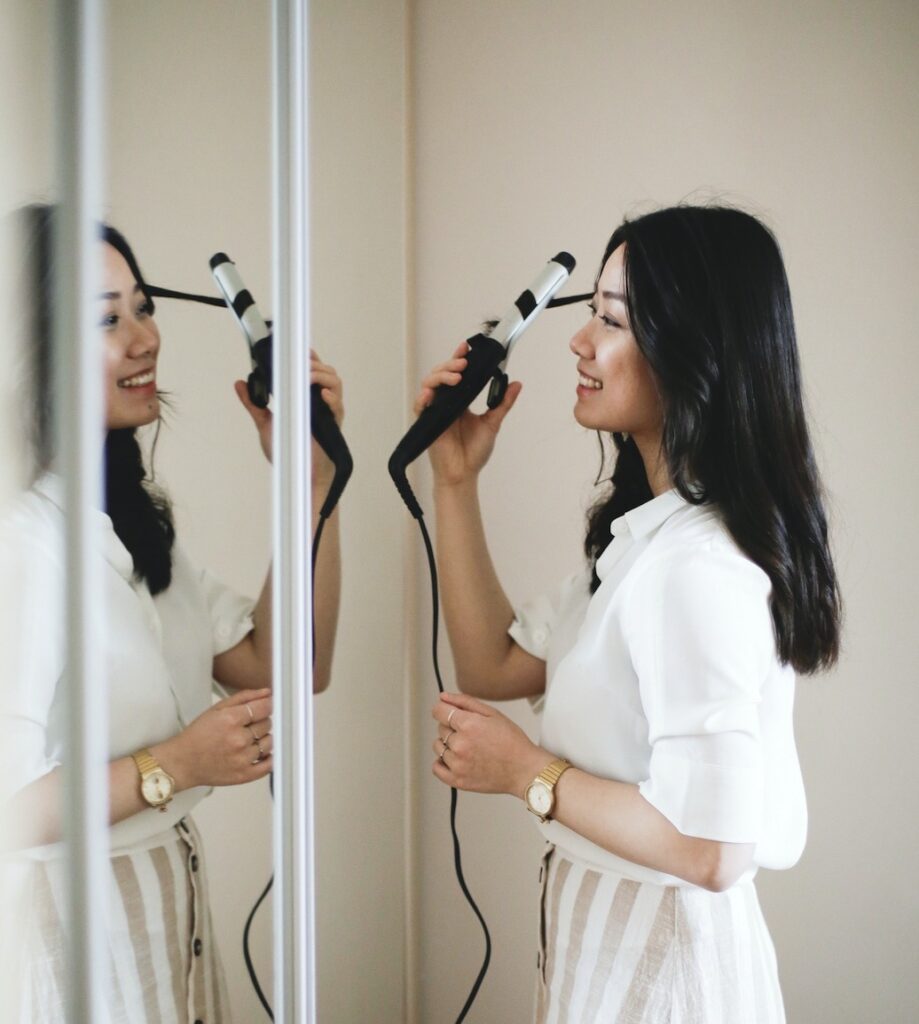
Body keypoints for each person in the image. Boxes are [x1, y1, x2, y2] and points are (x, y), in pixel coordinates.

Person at [421, 205, 841, 1023]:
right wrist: (455, 481)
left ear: (692, 352)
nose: (579, 343)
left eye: (611, 321)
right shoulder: (648, 539)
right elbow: (493, 667)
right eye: (589, 314)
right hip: (612, 954)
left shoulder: (696, 568)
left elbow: (715, 850)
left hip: (668, 976)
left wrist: (524, 775)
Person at [0, 205, 343, 1022]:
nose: (144, 338)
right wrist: (177, 766)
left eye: (144, 307)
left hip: (167, 923)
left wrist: (313, 485)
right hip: (65, 948)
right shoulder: (23, 544)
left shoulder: (130, 531)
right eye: (104, 319)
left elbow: (292, 663)